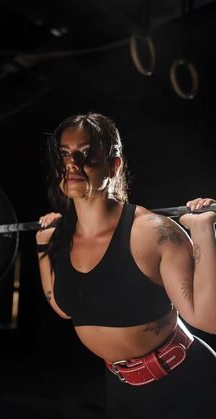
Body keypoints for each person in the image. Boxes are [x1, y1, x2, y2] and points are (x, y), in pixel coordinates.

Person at [36, 112, 216, 419]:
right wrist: (43, 245)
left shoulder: (152, 232)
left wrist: (203, 232)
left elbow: (208, 318)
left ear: (114, 164)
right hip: (121, 391)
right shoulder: (63, 238)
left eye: (86, 154)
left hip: (184, 384)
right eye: (64, 154)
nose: (71, 164)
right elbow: (65, 307)